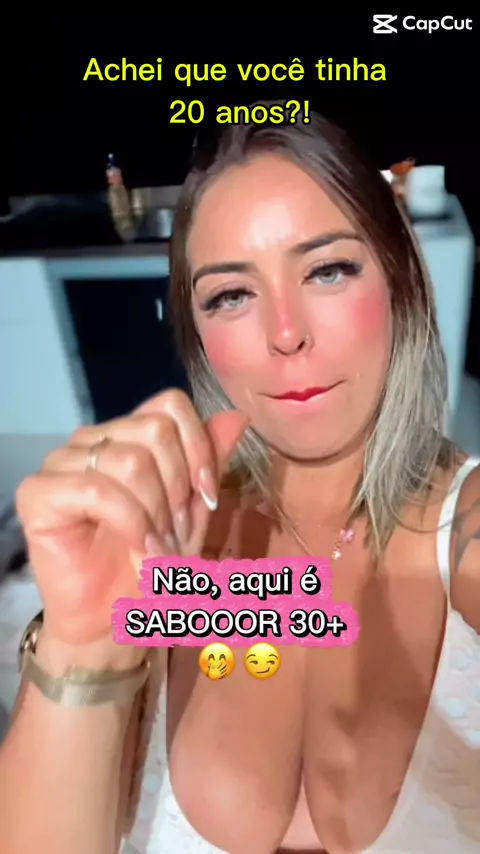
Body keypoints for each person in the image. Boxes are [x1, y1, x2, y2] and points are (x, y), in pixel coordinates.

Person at [0, 111, 479, 854]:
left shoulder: (466, 529)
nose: (285, 334)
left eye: (327, 270)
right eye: (231, 294)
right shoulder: (159, 538)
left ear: (401, 280)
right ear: (198, 335)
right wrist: (85, 646)